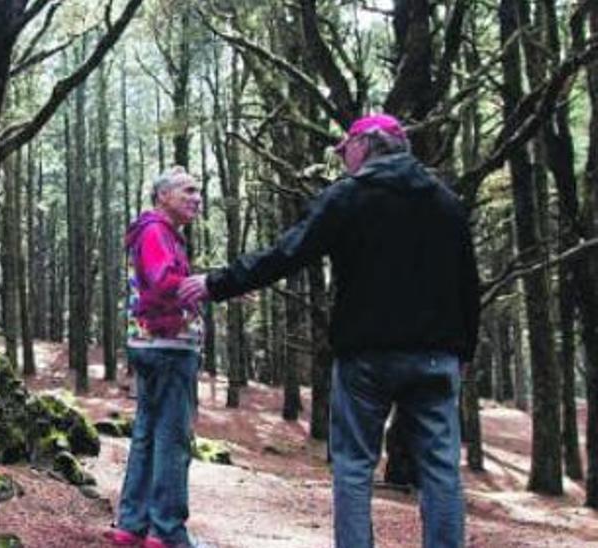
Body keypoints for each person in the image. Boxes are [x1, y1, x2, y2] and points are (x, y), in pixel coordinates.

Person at [179, 114, 478, 548]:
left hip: (366, 357)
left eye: (345, 151)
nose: (343, 160)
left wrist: (217, 282)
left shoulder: (349, 197)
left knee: (354, 467)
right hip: (435, 357)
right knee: (441, 470)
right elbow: (469, 284)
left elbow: (288, 252)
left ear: (366, 145)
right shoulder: (446, 202)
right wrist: (463, 351)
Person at [107, 167, 204, 548]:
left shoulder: (161, 233)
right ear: (163, 196)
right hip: (166, 348)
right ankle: (166, 531)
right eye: (188, 190)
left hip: (155, 347)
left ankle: (133, 524)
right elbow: (163, 281)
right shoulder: (155, 232)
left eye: (198, 191)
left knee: (148, 433)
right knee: (172, 438)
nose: (197, 197)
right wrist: (205, 287)